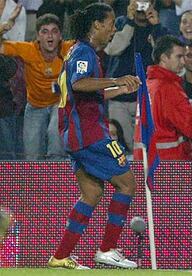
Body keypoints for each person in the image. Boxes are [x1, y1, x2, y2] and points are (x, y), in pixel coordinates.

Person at [48, 3, 141, 269]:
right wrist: (116, 79)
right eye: (111, 24)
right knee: (127, 184)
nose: (113, 29)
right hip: (89, 134)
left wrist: (120, 86)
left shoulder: (80, 52)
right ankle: (108, 248)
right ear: (97, 25)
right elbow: (79, 84)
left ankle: (61, 256)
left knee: (91, 193)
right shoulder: (84, 52)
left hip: (75, 136)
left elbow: (89, 92)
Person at [0, 11, 71, 160]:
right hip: (35, 105)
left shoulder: (69, 49)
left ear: (60, 36)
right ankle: (36, 183)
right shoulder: (28, 49)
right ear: (38, 36)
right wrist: (2, 30)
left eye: (54, 31)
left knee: (55, 135)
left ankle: (56, 180)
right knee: (31, 155)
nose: (50, 36)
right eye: (44, 32)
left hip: (59, 103)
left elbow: (94, 42)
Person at [104, 0, 169, 154]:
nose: (141, 6)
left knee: (143, 147)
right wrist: (129, 22)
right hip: (119, 97)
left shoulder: (158, 27)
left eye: (145, 2)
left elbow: (164, 58)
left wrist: (157, 27)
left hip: (146, 99)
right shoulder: (120, 23)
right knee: (121, 145)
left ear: (152, 3)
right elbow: (112, 49)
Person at [135, 35, 192, 160]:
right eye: (179, 56)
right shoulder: (169, 88)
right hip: (170, 164)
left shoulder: (147, 85)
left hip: (145, 161)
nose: (183, 62)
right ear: (164, 58)